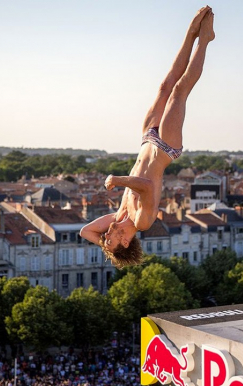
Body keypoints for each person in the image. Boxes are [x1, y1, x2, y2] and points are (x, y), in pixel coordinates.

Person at [80, 6, 215, 268]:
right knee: (179, 91)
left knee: (165, 86)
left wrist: (107, 248)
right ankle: (205, 41)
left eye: (105, 238)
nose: (106, 235)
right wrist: (117, 181)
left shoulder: (117, 218)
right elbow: (147, 187)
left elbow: (85, 231)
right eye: (111, 239)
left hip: (147, 140)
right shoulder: (142, 220)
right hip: (165, 147)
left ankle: (190, 35)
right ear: (126, 242)